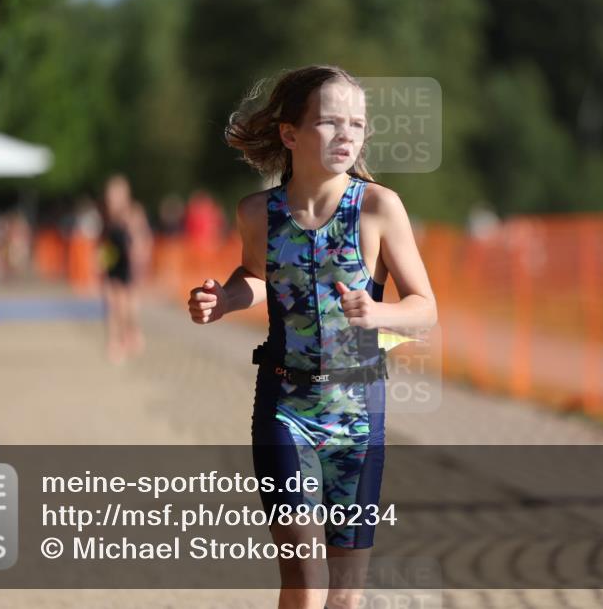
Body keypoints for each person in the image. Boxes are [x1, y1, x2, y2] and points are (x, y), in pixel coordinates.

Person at [187, 66, 436, 609]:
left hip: (358, 412)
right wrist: (224, 299)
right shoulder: (258, 213)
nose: (347, 134)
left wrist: (377, 311)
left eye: (357, 124)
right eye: (329, 122)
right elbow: (258, 276)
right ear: (290, 133)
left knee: (344, 595)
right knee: (306, 583)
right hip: (284, 407)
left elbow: (425, 309)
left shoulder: (378, 207)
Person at [99, 175, 143, 363]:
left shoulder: (132, 214)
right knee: (110, 303)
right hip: (112, 262)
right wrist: (101, 259)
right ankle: (113, 341)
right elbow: (105, 242)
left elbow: (139, 240)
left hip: (128, 264)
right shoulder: (107, 216)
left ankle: (130, 332)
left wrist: (138, 261)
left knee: (126, 303)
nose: (112, 199)